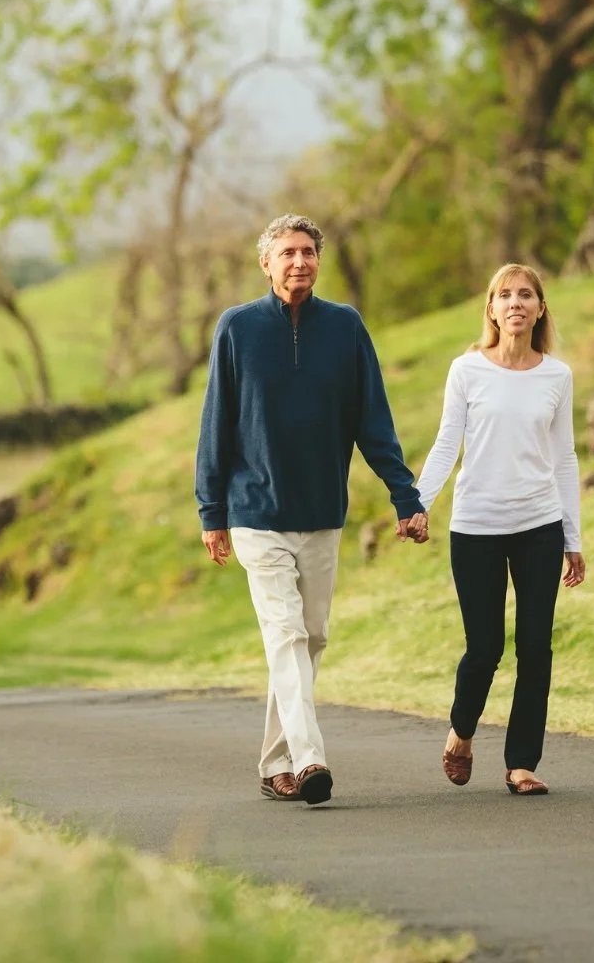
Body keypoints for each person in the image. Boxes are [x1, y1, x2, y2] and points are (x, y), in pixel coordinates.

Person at [195, 213, 427, 806]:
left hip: (322, 511)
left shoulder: (345, 327)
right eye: (288, 253)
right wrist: (211, 510)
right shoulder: (237, 328)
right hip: (255, 512)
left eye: (308, 252)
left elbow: (372, 420)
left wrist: (405, 495)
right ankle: (310, 757)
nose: (299, 262)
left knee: (311, 637)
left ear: (318, 261)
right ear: (266, 263)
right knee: (285, 633)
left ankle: (276, 761)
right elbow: (216, 422)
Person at [412, 262, 586, 796]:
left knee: (536, 646)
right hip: (476, 526)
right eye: (504, 295)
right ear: (491, 309)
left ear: (539, 309)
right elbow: (447, 444)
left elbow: (565, 458)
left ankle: (521, 764)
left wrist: (572, 538)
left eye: (526, 294)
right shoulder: (467, 370)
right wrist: (417, 504)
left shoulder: (556, 376)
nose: (515, 303)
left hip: (539, 524)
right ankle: (461, 733)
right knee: (484, 648)